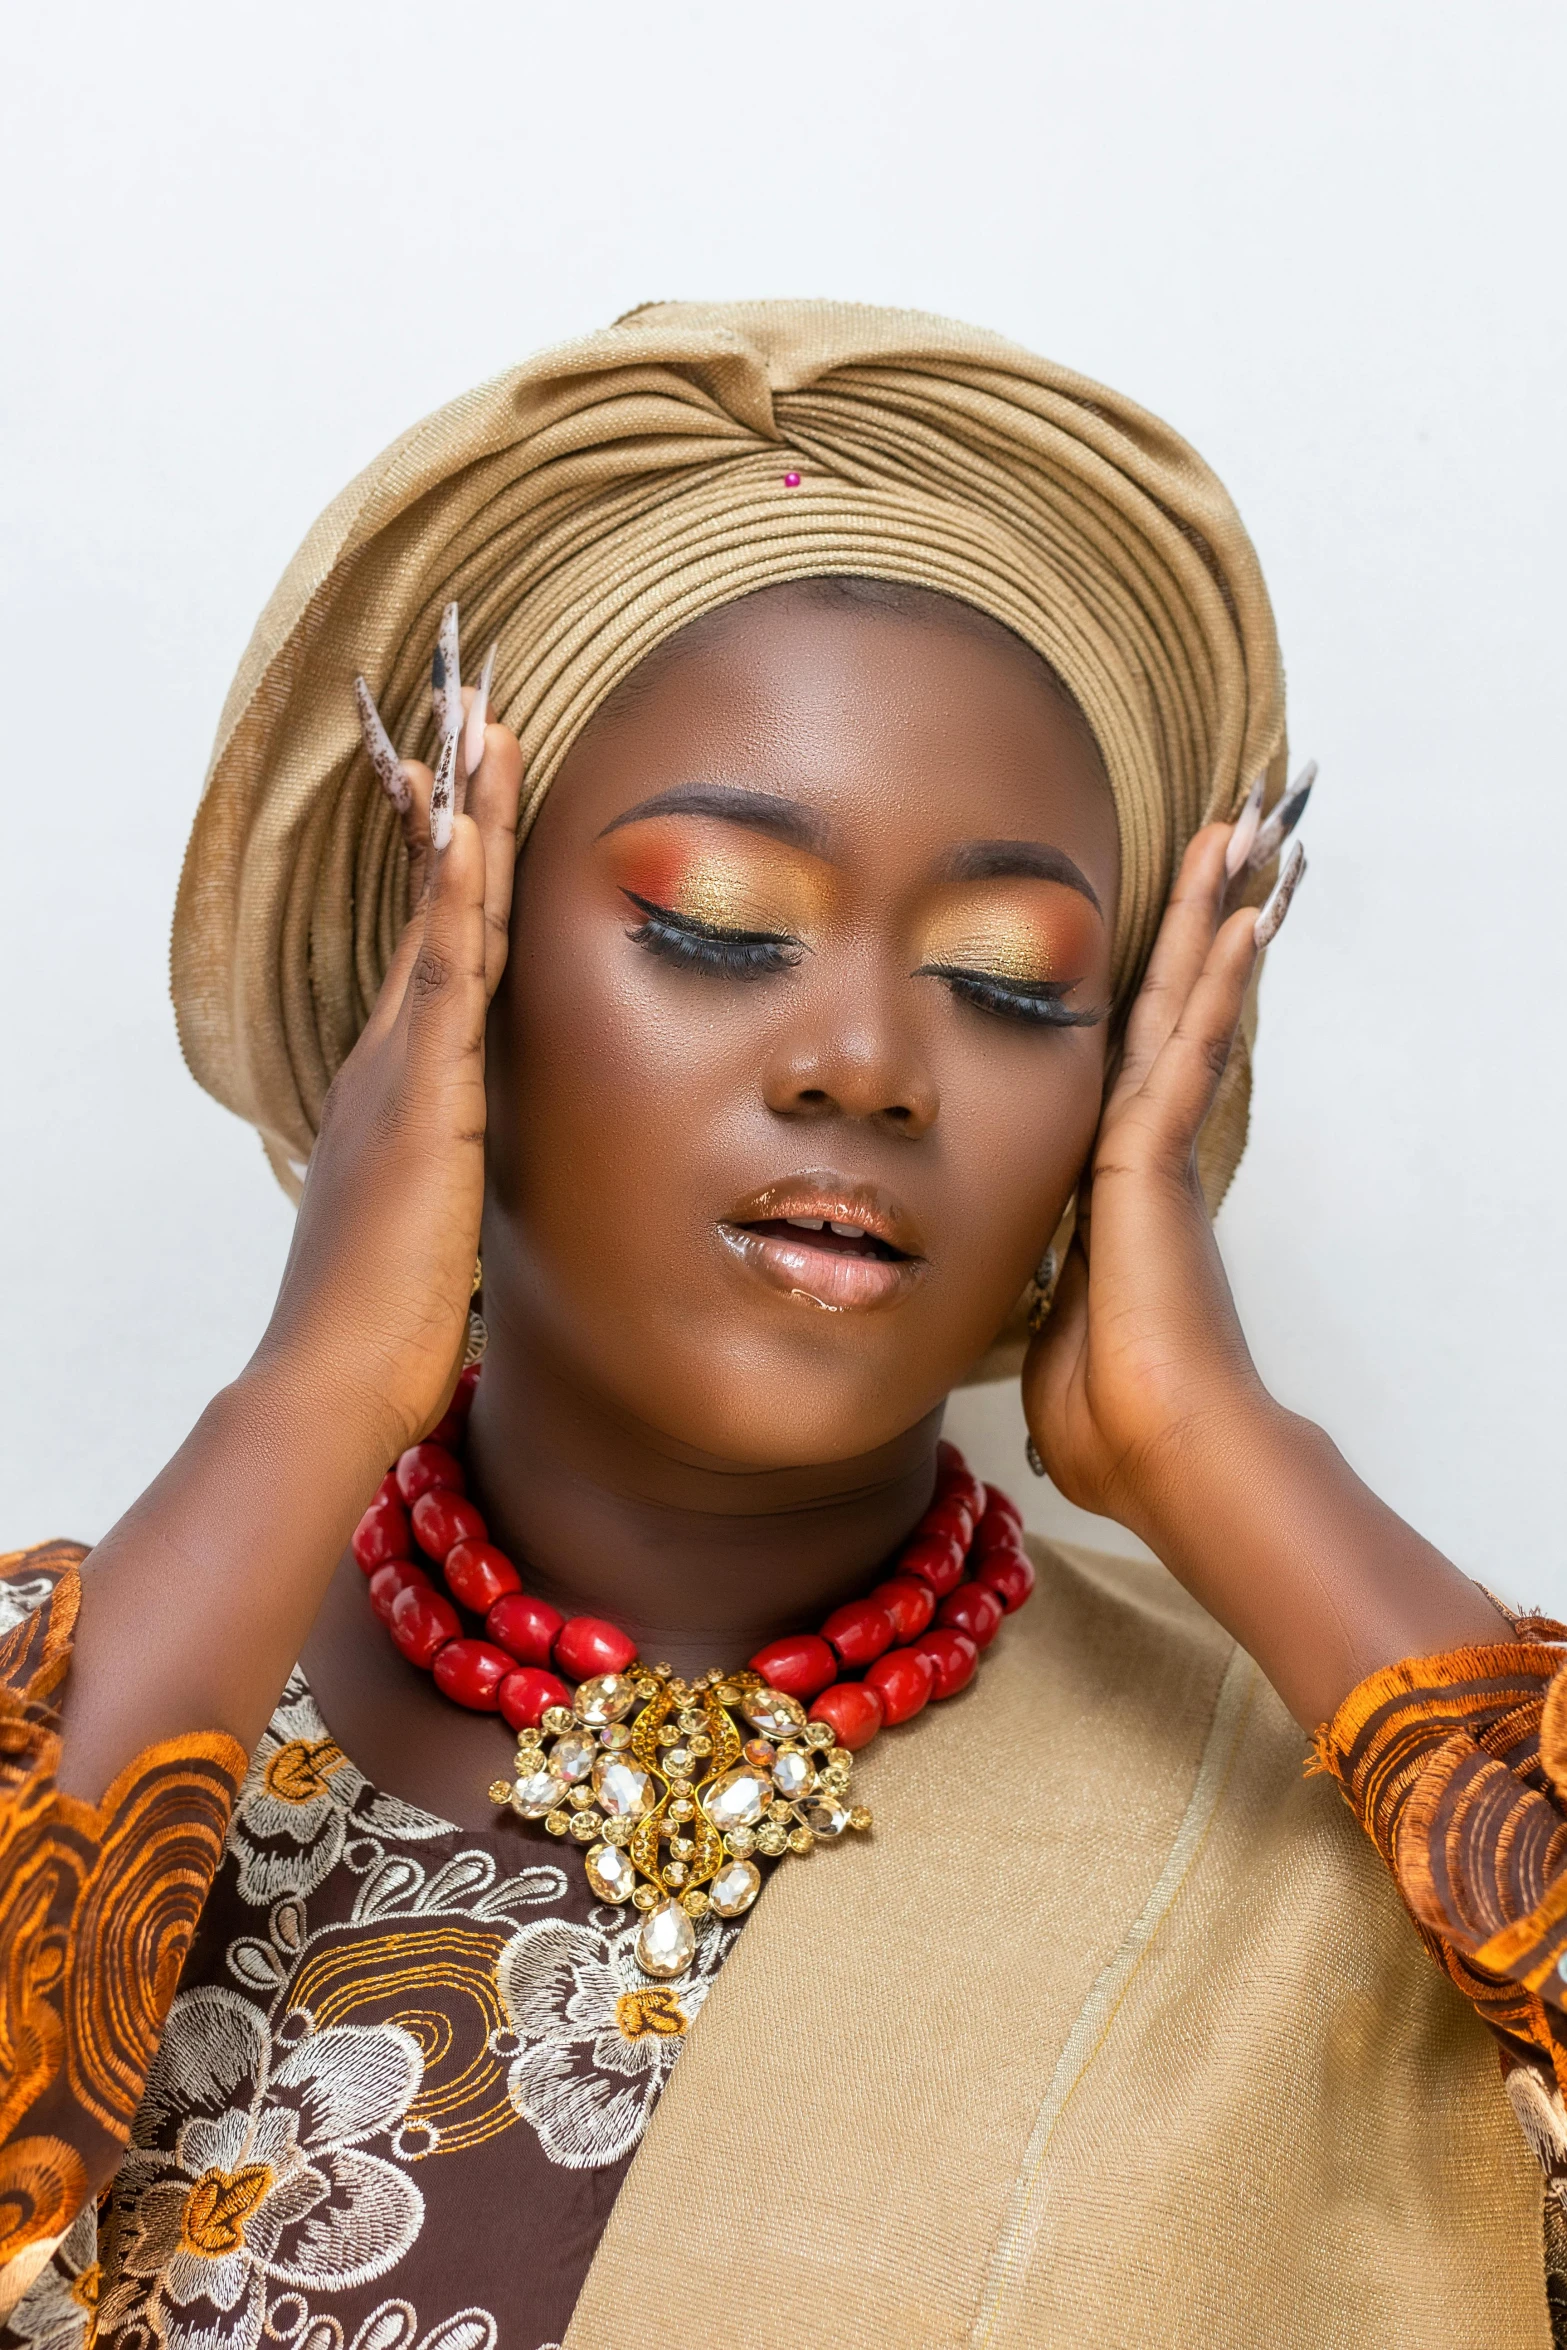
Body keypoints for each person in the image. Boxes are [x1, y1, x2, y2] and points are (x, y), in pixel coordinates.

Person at [2, 302, 1564, 2350]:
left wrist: (1227, 1457)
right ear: (444, 988)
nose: (866, 1062)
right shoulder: (107, 1690)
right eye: (719, 925)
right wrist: (306, 1395)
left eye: (1011, 983)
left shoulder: (1341, 1842)